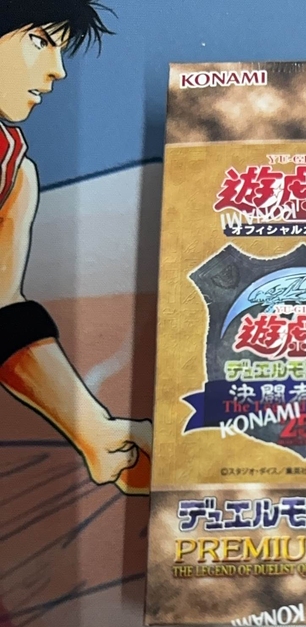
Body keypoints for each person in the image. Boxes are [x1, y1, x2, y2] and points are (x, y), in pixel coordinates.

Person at [0, 0, 151, 495]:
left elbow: (4, 313)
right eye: (40, 41)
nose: (57, 71)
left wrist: (96, 432)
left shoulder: (14, 172)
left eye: (60, 49)